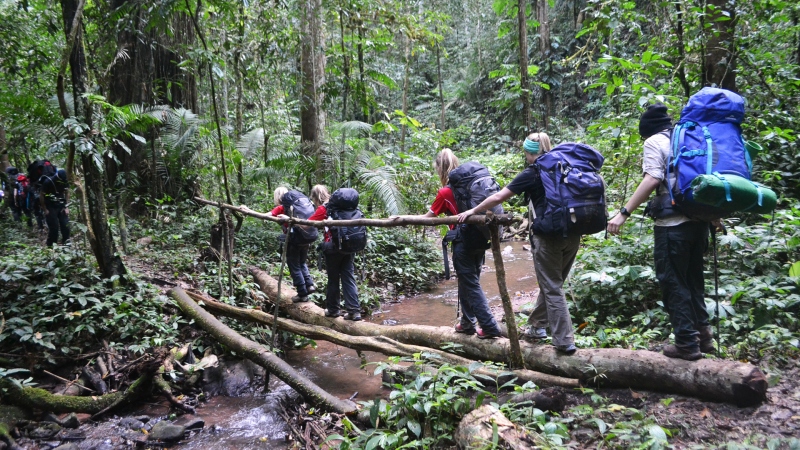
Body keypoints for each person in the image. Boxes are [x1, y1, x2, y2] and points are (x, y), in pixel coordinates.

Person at [607, 103, 717, 361]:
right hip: (699, 222)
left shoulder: (654, 142)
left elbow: (653, 178)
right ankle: (704, 336)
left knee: (673, 282)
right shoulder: (687, 138)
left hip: (672, 227)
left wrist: (623, 213)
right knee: (693, 280)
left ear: (646, 130)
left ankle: (686, 344)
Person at [457, 133, 578, 354]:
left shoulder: (533, 172)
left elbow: (497, 198)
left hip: (548, 236)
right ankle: (538, 327)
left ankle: (564, 341)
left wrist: (473, 210)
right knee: (552, 282)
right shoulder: (567, 165)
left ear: (528, 151)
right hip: (574, 232)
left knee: (552, 286)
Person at [393, 148, 503, 339]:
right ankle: (468, 323)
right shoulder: (468, 187)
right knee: (468, 282)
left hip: (463, 242)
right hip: (480, 238)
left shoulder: (445, 192)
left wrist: (401, 217)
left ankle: (489, 326)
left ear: (440, 169)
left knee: (470, 284)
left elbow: (427, 218)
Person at [308, 184, 362, 321]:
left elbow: (308, 223)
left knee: (333, 279)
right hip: (349, 246)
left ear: (315, 197)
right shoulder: (347, 208)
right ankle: (354, 311)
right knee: (348, 277)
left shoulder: (324, 209)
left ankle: (333, 310)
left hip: (332, 248)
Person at [266, 187, 317, 303]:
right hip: (306, 237)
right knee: (302, 262)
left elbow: (266, 215)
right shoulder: (297, 206)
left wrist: (247, 210)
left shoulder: (281, 208)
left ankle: (302, 294)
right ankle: (309, 285)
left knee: (294, 265)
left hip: (294, 239)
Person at [39, 168, 70, 246]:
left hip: (61, 205)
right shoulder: (48, 182)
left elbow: (67, 192)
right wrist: (45, 209)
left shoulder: (64, 180)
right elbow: (42, 196)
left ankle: (67, 243)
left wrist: (66, 206)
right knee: (54, 227)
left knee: (65, 225)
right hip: (50, 206)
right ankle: (51, 245)